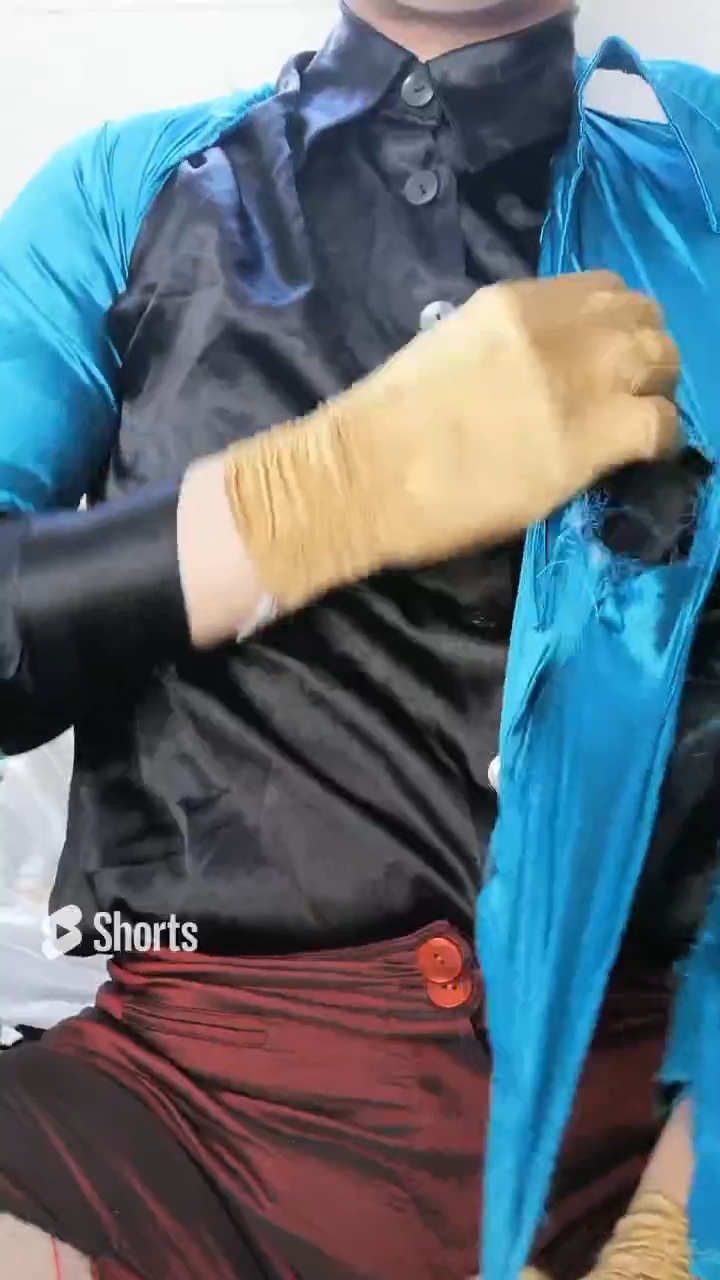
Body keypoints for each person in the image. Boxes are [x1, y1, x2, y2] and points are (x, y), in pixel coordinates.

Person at [0, 0, 714, 1275]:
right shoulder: (125, 196)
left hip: (646, 1124)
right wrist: (311, 497)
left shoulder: (700, 186)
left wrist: (679, 1216)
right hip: (166, 1135)